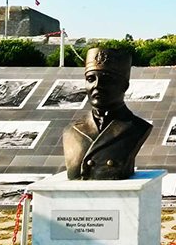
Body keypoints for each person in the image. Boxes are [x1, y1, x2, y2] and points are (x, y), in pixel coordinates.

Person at [62, 48, 152, 180]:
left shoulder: (137, 128)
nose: (97, 85)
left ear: (124, 86)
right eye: (91, 79)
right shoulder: (71, 131)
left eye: (106, 80)